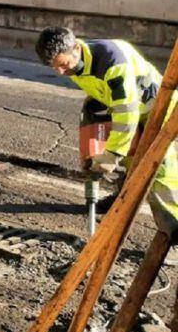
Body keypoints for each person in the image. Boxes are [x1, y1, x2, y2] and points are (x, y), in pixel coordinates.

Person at [35, 28, 178, 234]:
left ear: (76, 47)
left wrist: (111, 155)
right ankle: (123, 196)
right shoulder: (74, 63)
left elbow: (127, 113)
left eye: (63, 65)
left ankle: (172, 223)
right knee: (131, 156)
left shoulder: (111, 60)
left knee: (159, 166)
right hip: (129, 106)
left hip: (159, 108)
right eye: (54, 67)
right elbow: (104, 91)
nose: (61, 72)